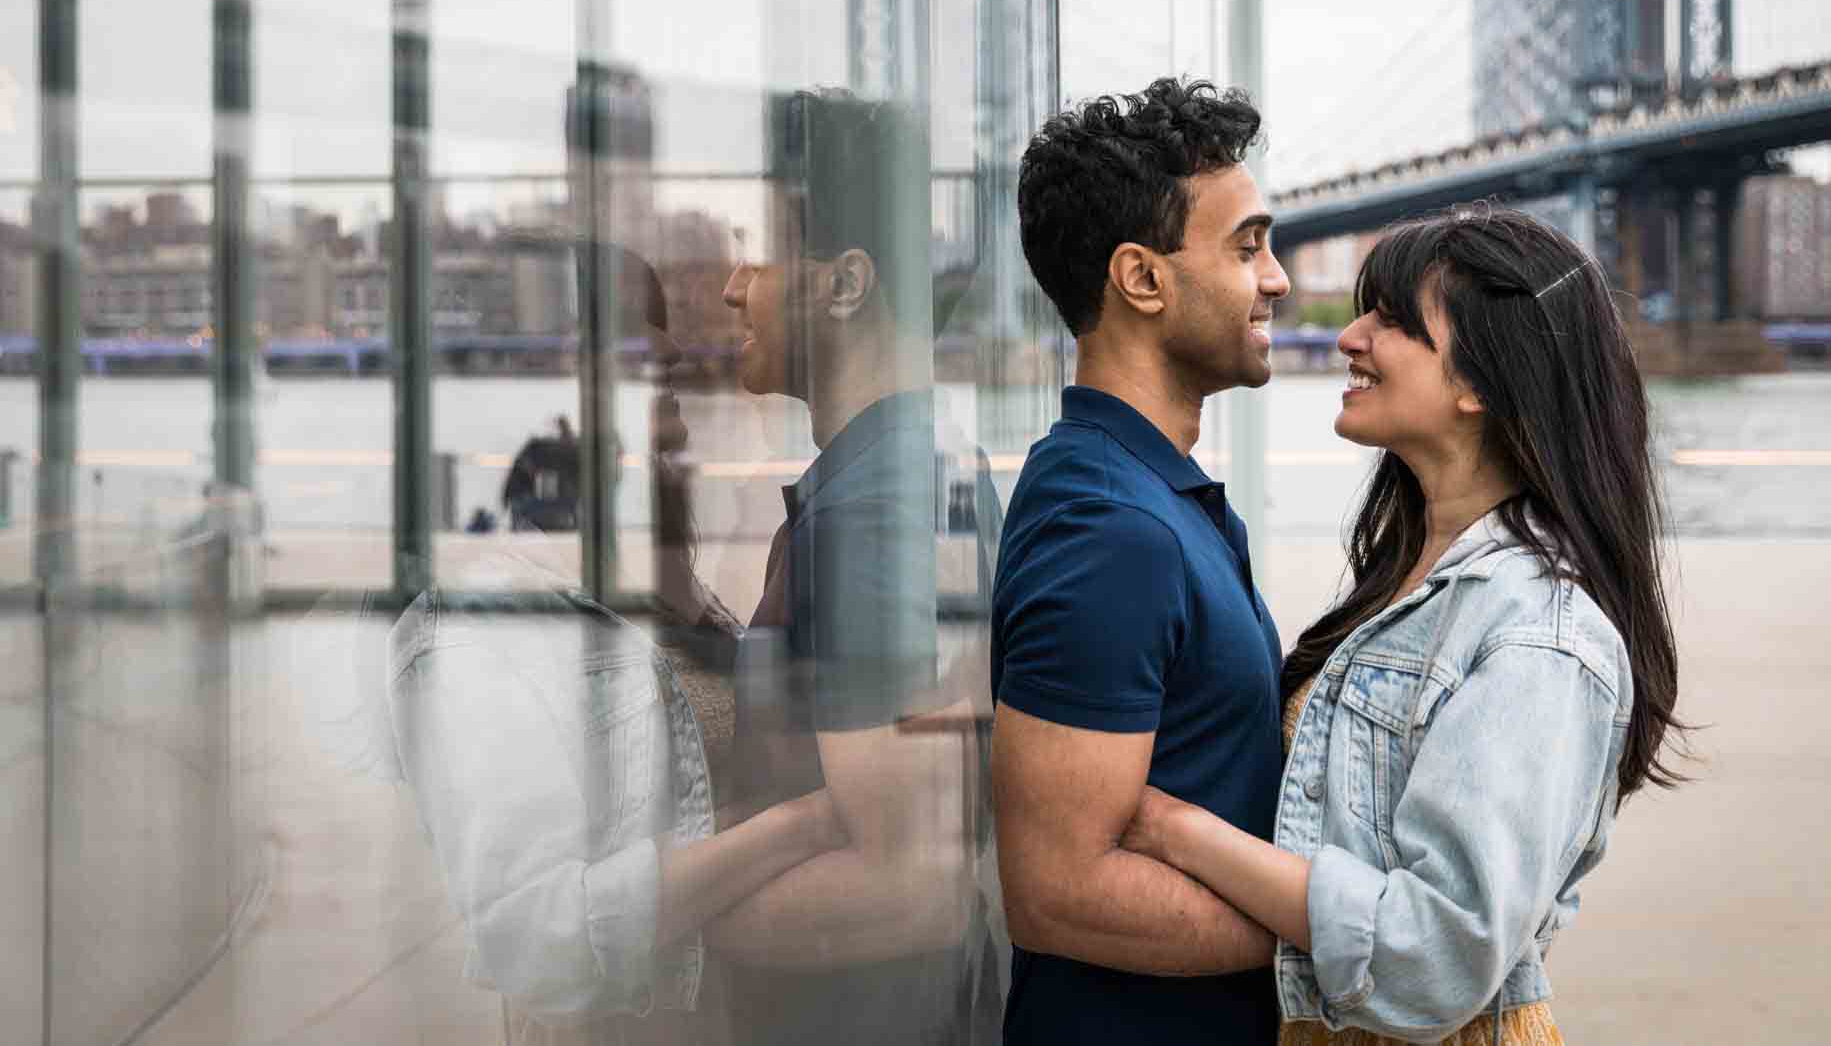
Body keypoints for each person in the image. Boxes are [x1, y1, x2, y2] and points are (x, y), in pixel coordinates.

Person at [1117, 206, 1688, 1044]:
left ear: (1479, 382)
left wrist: (1176, 829)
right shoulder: (1409, 574)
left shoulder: (1538, 630)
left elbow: (1436, 954)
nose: (1350, 336)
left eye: (1391, 320)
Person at [384, 238, 833, 1046]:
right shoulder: (485, 624)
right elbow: (537, 934)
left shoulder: (653, 577)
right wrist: (804, 822)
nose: (670, 365)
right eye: (640, 355)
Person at [989, 77, 1292, 1044]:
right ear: (1143, 279)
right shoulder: (1110, 529)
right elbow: (1057, 892)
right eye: (1248, 246)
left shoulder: (1146, 495)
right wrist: (1338, 932)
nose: (1277, 277)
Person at [710, 88, 995, 1044]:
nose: (730, 285)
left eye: (757, 248)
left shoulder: (873, 514)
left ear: (844, 284)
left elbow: (908, 887)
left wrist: (646, 925)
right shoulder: (916, 466)